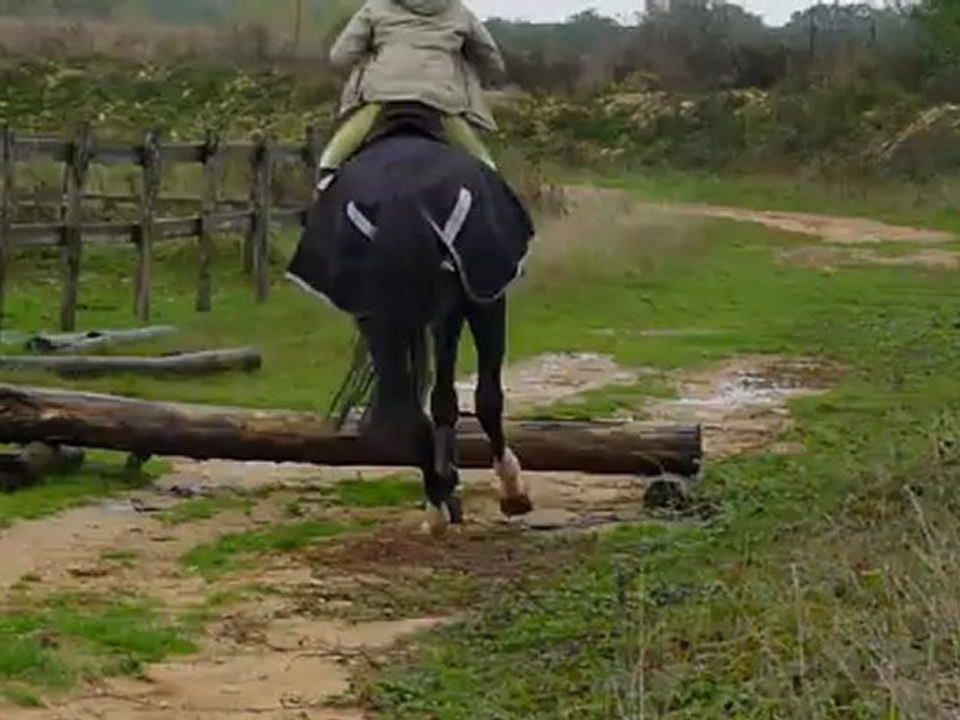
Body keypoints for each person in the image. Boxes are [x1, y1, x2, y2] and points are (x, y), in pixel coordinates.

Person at [319, 0, 505, 185]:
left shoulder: (376, 6)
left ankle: (326, 174)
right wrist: (487, 76)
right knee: (477, 154)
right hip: (441, 96)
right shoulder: (459, 10)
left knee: (351, 134)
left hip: (383, 93)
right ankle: (493, 181)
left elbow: (339, 56)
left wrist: (362, 64)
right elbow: (490, 56)